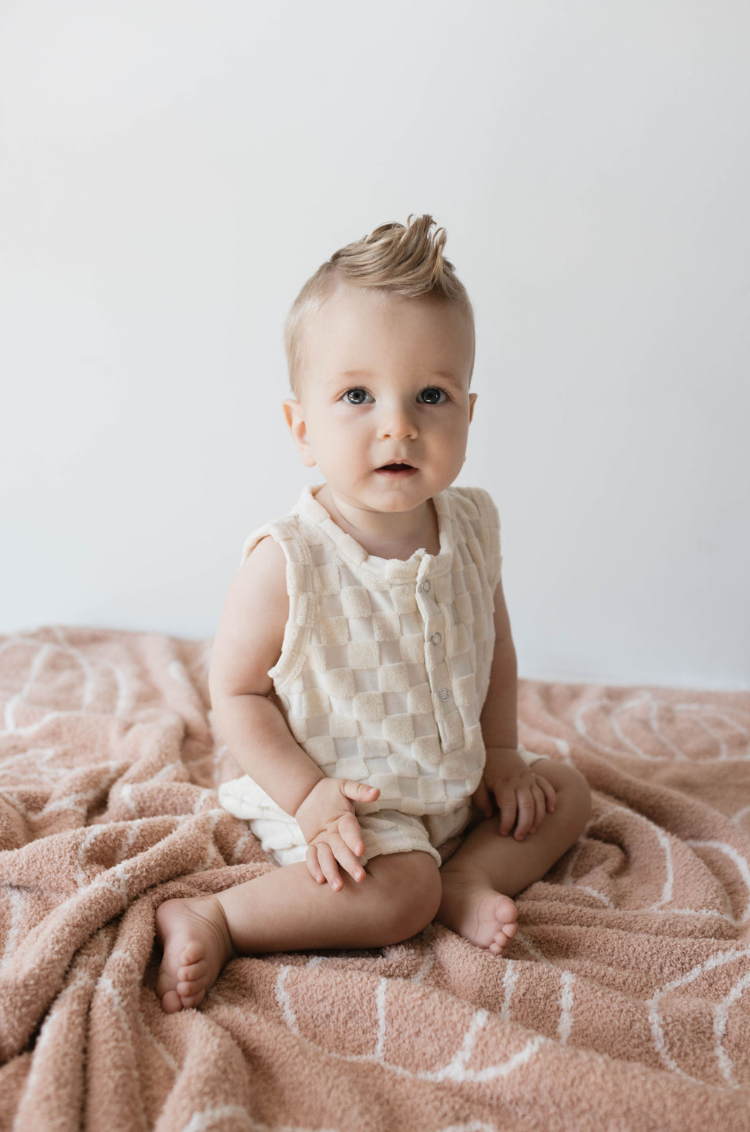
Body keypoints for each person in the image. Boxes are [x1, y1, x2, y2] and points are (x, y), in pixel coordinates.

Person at [155, 214, 592, 1013]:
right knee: (400, 892)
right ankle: (218, 918)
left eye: (432, 394)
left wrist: (500, 753)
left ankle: (471, 875)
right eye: (357, 395)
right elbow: (236, 695)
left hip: (452, 779)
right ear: (302, 429)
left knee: (565, 788)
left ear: (468, 411)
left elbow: (494, 647)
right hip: (345, 801)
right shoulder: (290, 559)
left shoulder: (472, 525)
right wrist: (309, 795)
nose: (399, 423)